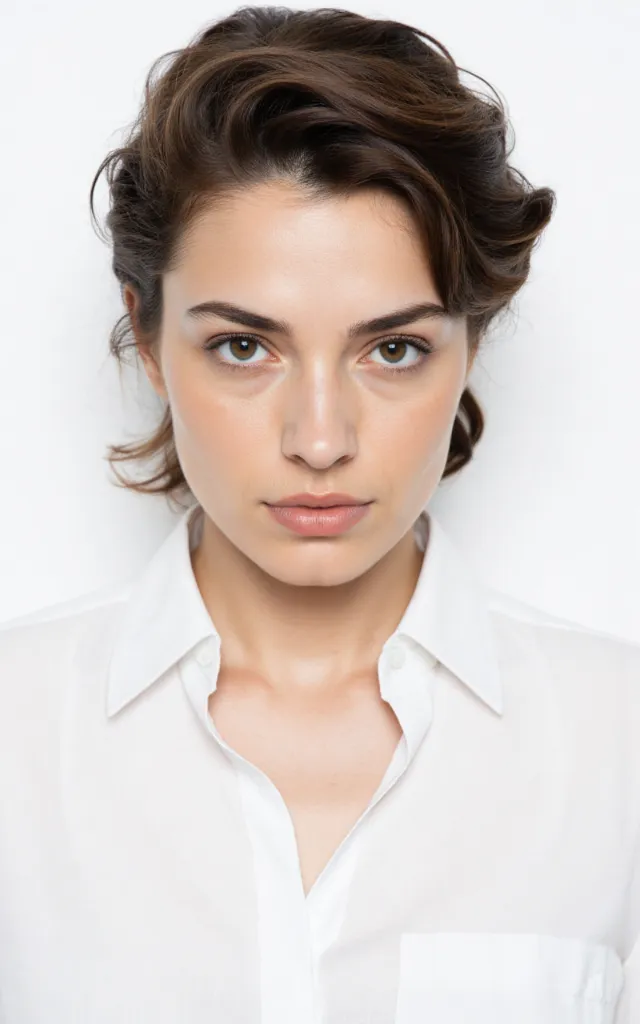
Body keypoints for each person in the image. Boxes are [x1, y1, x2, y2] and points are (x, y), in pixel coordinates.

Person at [0, 6, 638, 1023]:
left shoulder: (619, 746)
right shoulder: (14, 739)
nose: (320, 438)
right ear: (149, 334)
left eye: (393, 349)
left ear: (470, 342)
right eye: (244, 347)